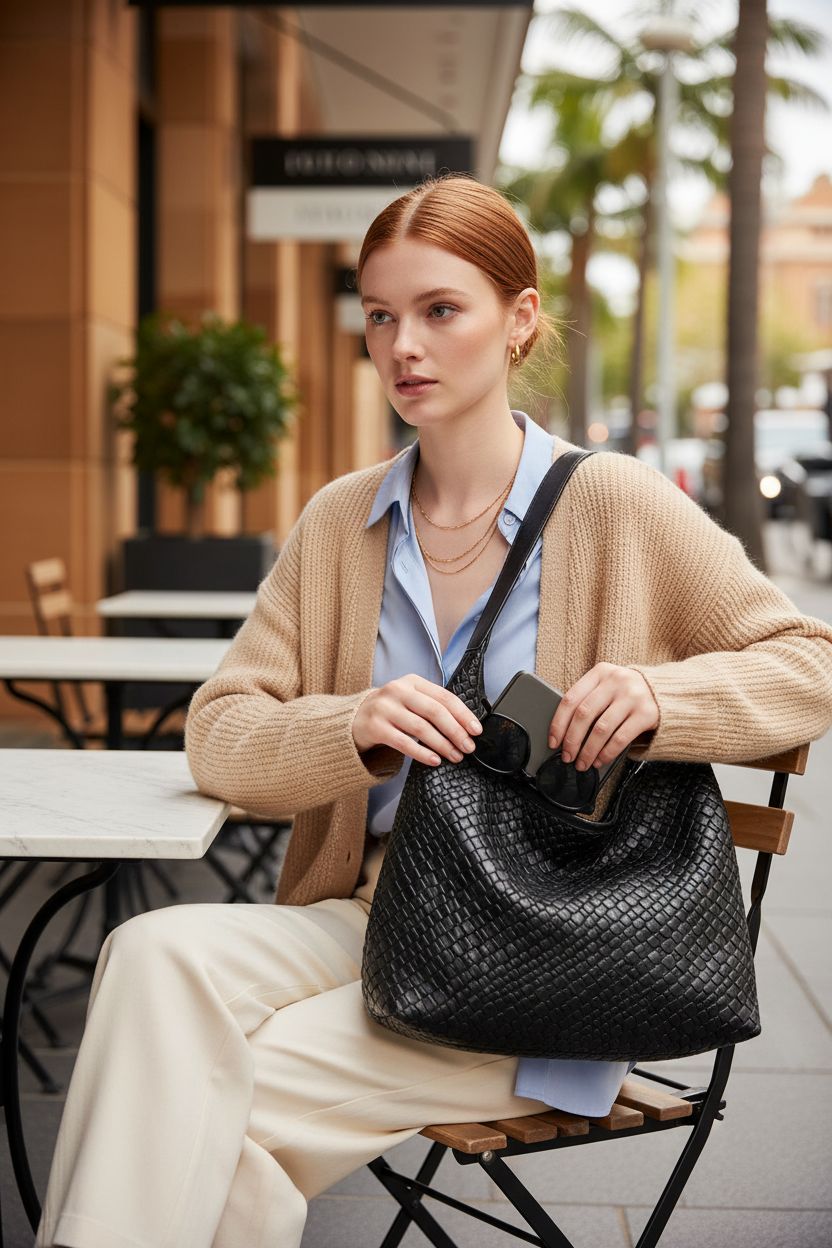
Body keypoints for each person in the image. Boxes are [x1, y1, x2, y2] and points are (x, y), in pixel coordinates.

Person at [35, 175, 832, 1248]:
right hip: (370, 922)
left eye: (438, 310)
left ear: (519, 320)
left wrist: (660, 694)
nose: (401, 345)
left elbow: (806, 662)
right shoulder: (340, 525)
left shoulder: (615, 503)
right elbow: (220, 731)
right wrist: (348, 726)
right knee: (149, 957)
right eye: (379, 314)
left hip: (543, 962)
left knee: (203, 1101)